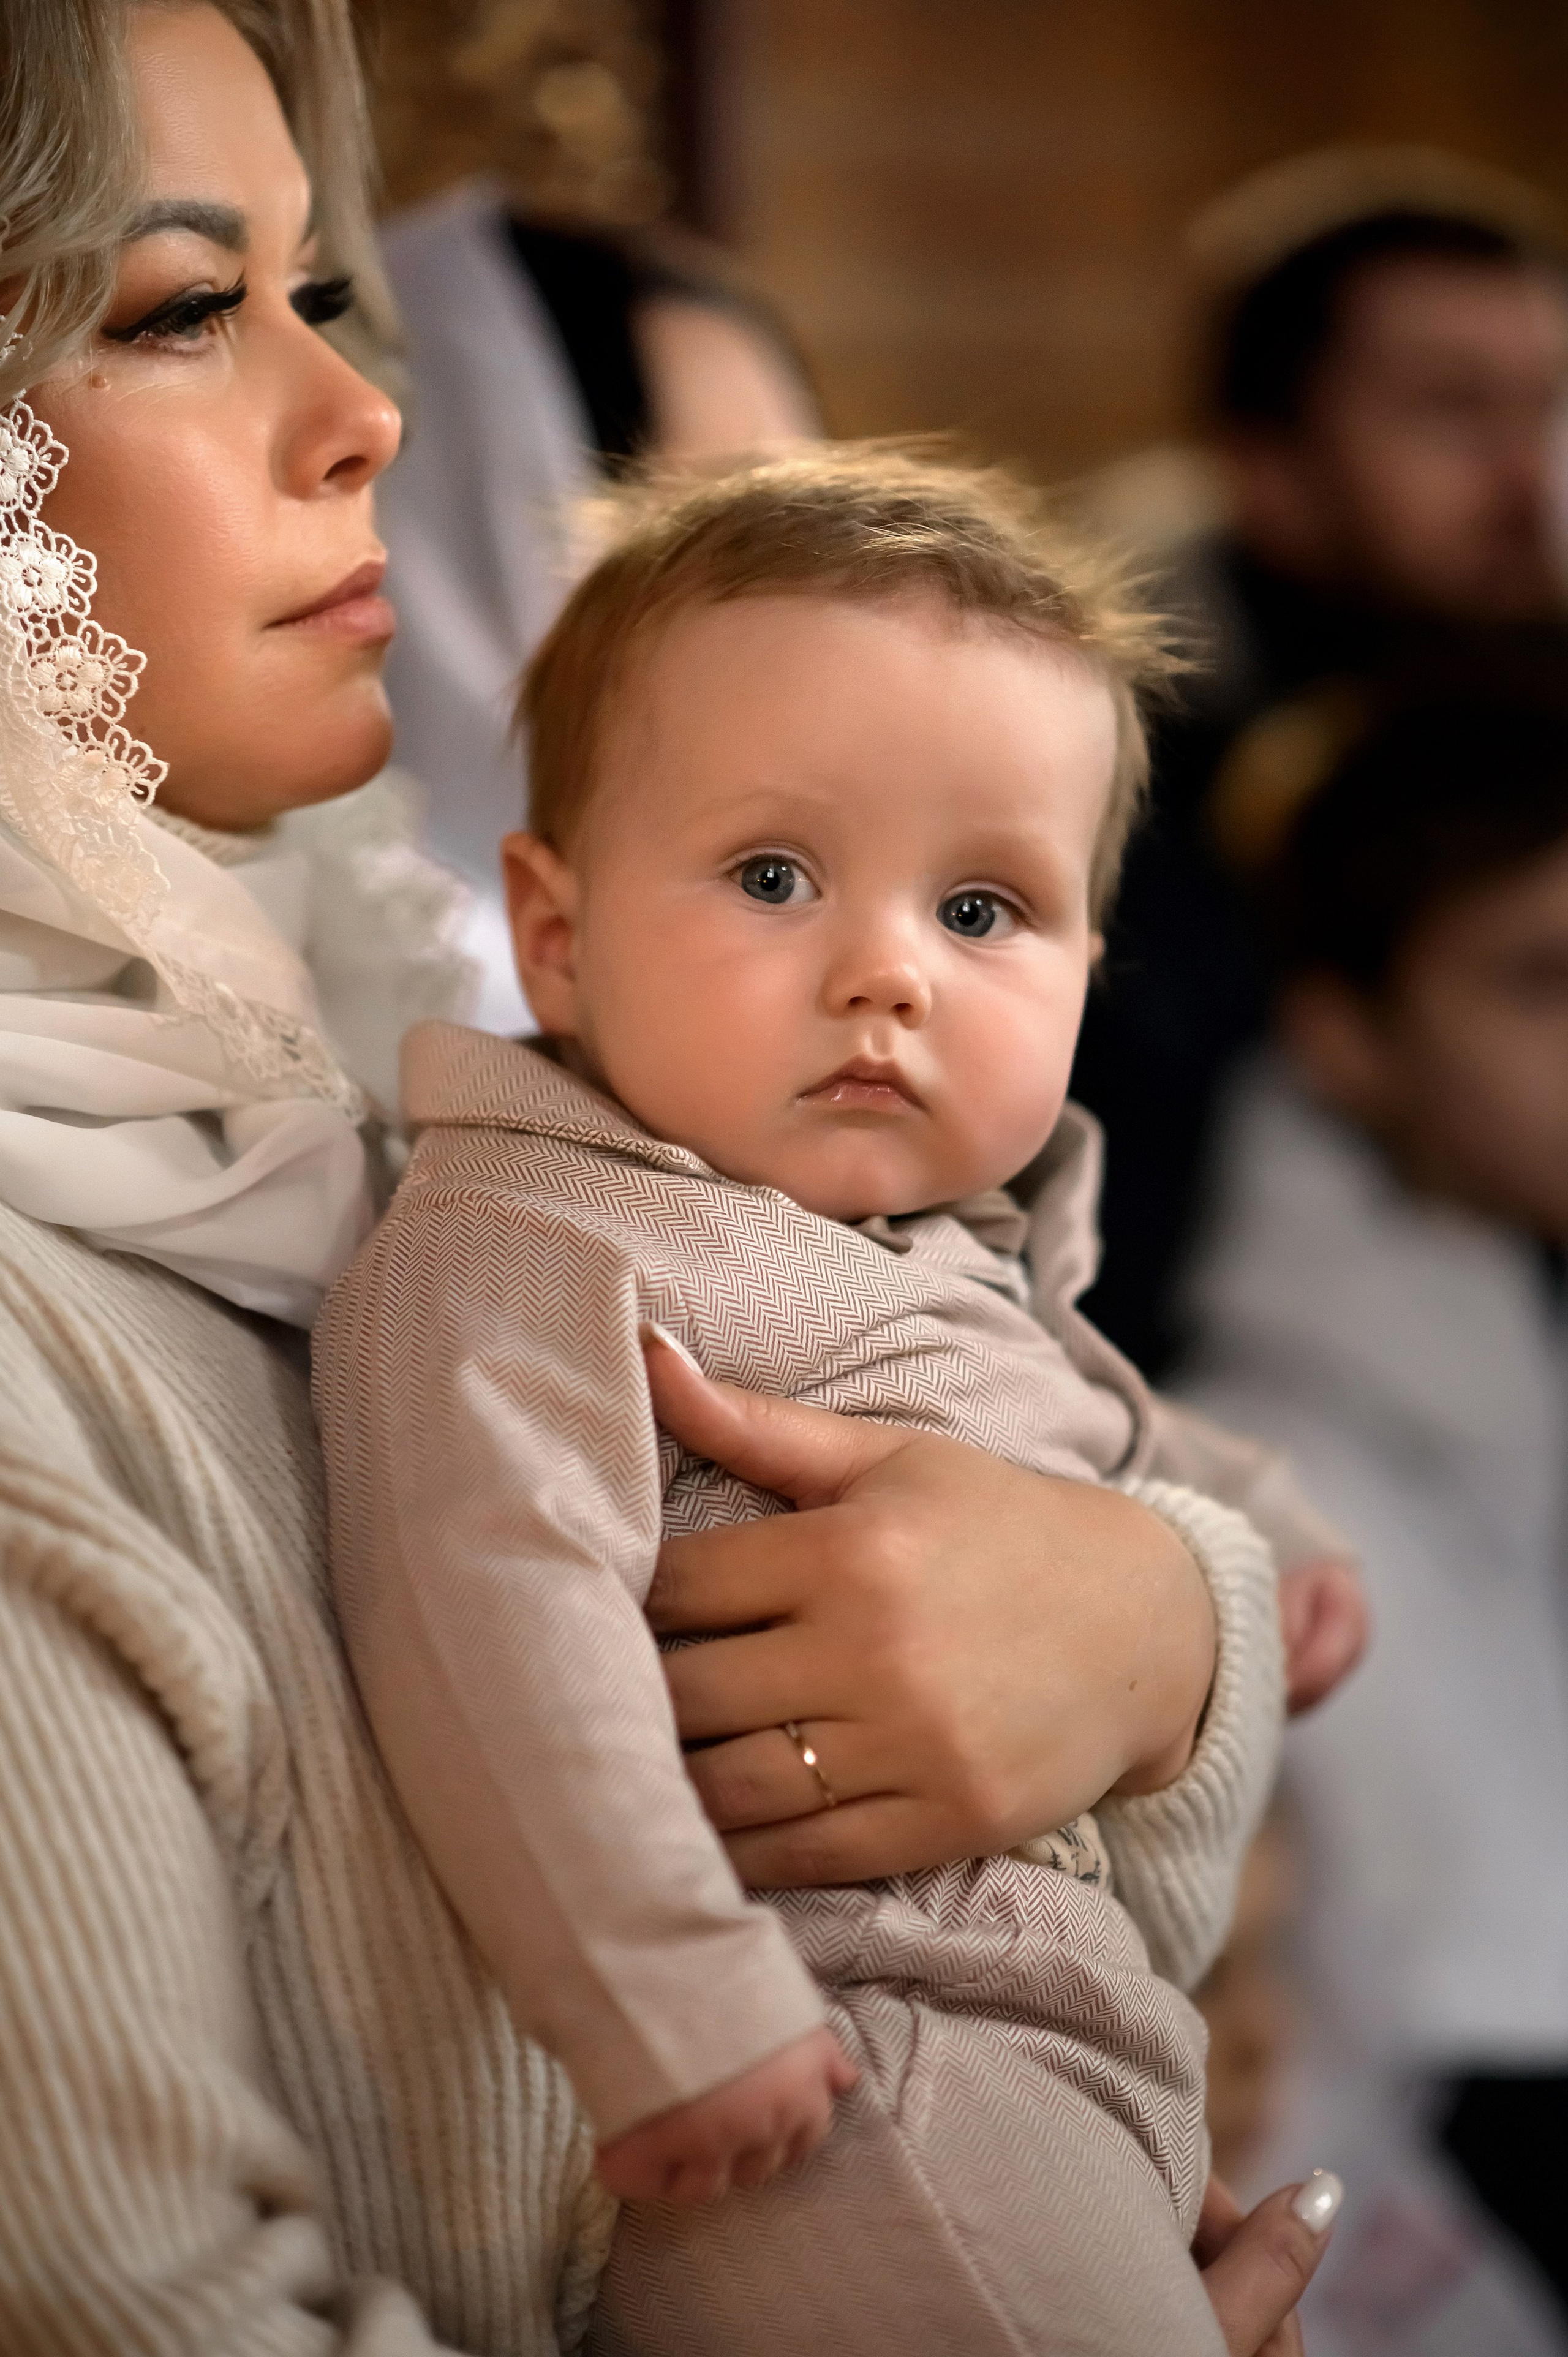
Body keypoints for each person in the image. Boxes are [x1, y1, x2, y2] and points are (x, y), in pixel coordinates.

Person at [0, 3, 1348, 2349]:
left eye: (324, 295)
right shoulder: (156, 1309)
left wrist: (1167, 1620)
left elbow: (1030, 1539)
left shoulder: (346, 1071)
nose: (364, 420)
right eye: (187, 309)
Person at [315, 450, 1355, 2355]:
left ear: (1087, 975)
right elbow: (485, 1631)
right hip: (838, 2065)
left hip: (1061, 2045)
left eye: (983, 910)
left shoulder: (951, 1236)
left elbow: (1073, 1427)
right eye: (776, 876)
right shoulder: (536, 1236)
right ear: (554, 930)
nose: (887, 972)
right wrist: (672, 2007)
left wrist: (1255, 1532)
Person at [1177, 681, 1568, 2348]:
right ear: (1344, 1037)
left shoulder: (1513, 1346)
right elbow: (1485, 2048)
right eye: (1542, 981)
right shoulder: (1266, 1469)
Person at [1072, 146, 1568, 1376]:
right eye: (1449, 410)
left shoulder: (1522, 698)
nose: (1529, 479)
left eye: (1552, 410)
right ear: (1266, 469)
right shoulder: (1111, 795)